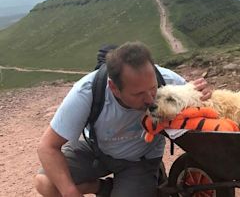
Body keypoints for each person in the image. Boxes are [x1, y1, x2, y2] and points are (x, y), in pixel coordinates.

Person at [34, 42, 211, 197]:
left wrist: (206, 97)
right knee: (45, 183)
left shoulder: (169, 80)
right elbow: (47, 147)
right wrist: (69, 192)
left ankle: (149, 179)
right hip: (97, 151)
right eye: (138, 94)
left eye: (153, 88)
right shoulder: (87, 91)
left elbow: (206, 111)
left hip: (140, 160)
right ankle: (102, 187)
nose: (150, 99)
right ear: (114, 88)